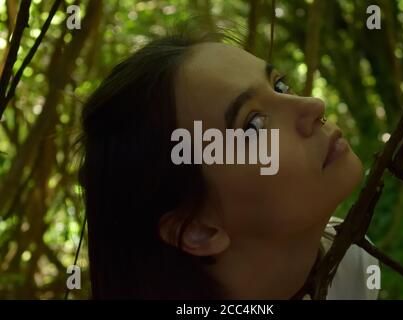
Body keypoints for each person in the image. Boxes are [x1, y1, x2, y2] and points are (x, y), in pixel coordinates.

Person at [78, 29, 379, 299]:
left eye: (280, 86)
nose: (313, 105)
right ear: (198, 229)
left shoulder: (348, 262)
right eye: (253, 125)